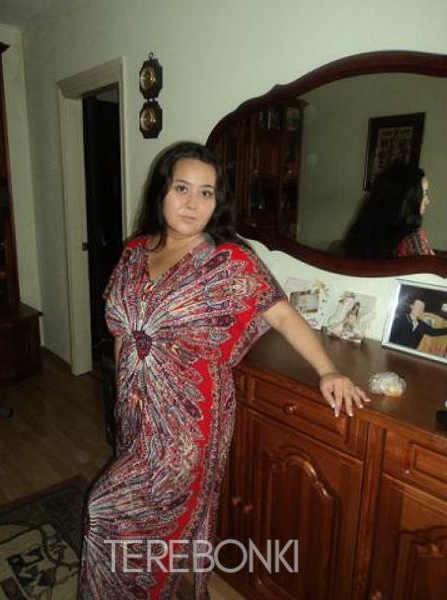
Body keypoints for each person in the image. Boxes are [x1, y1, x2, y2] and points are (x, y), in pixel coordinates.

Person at [78, 142, 369, 599]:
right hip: (137, 414)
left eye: (206, 192)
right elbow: (121, 332)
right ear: (161, 191)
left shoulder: (227, 262)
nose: (192, 203)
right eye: (181, 188)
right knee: (142, 529)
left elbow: (282, 314)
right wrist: (122, 397)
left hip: (189, 420)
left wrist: (328, 370)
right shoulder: (134, 252)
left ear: (218, 202)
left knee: (105, 511)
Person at [343, 163, 434, 259]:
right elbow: (430, 267)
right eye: (424, 194)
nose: (428, 201)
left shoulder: (360, 231)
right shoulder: (412, 239)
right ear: (406, 197)